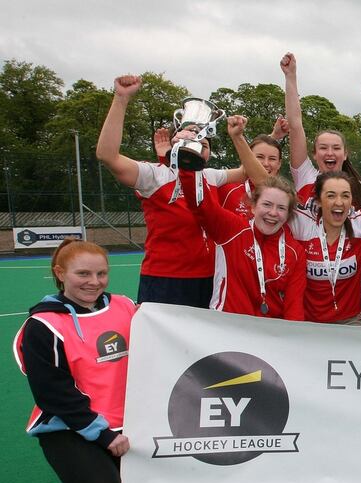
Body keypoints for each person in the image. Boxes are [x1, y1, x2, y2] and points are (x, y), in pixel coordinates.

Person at [14, 239, 137, 483]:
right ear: (60, 273)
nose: (94, 282)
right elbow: (53, 394)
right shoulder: (43, 325)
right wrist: (102, 434)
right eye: (83, 274)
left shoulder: (125, 306)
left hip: (122, 424)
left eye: (101, 274)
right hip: (68, 426)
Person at [96, 74, 247, 307]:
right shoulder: (154, 175)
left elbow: (248, 171)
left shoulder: (210, 176)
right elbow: (107, 156)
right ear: (173, 142)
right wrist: (121, 98)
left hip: (208, 277)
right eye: (187, 138)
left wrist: (247, 137)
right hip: (165, 279)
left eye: (203, 144)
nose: (195, 144)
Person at [180, 116, 307, 320]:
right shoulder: (232, 229)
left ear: (290, 213)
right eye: (267, 205)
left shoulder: (294, 251)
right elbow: (200, 203)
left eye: (281, 208)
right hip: (228, 326)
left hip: (269, 330)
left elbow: (294, 306)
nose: (273, 213)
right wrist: (187, 158)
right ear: (253, 206)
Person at [288, 170, 361, 324]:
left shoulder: (360, 224)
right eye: (331, 195)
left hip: (350, 322)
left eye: (345, 196)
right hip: (310, 323)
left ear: (351, 201)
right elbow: (269, 189)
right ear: (318, 201)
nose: (339, 202)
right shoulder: (304, 224)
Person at [281, 52, 361, 206]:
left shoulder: (356, 188)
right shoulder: (306, 177)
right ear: (314, 154)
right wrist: (290, 76)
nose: (330, 153)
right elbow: (295, 125)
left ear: (345, 154)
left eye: (336, 148)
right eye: (323, 148)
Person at [219, 119, 289, 219]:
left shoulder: (286, 197)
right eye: (259, 157)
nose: (266, 164)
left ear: (279, 164)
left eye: (272, 159)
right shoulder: (227, 188)